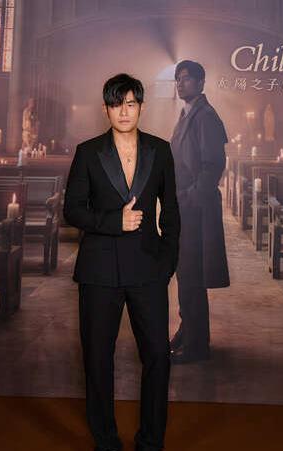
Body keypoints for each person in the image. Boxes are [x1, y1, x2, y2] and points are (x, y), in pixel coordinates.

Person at [64, 73, 180, 451]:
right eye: (117, 104)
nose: (124, 111)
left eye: (131, 103)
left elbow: (172, 212)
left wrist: (167, 262)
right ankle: (106, 442)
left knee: (158, 355)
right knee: (98, 360)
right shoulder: (88, 152)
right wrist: (115, 222)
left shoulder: (160, 150)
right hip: (99, 271)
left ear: (141, 107)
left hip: (148, 268)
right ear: (106, 109)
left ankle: (151, 442)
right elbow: (72, 210)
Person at [169, 60, 230, 364]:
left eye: (186, 79)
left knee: (191, 274)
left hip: (195, 208)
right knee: (185, 273)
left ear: (201, 83)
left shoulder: (206, 117)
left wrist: (190, 198)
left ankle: (197, 345)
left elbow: (213, 166)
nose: (180, 84)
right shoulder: (188, 114)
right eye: (178, 79)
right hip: (184, 205)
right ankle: (188, 330)